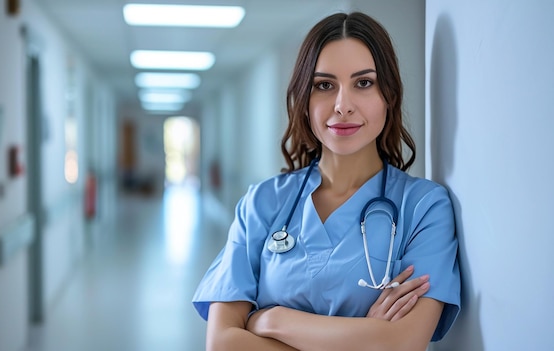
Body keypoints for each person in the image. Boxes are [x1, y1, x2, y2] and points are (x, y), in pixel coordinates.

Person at [192, 11, 460, 351]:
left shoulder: (424, 207)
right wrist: (365, 335)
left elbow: (401, 343)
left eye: (364, 83)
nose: (342, 105)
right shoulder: (261, 203)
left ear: (388, 96)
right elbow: (223, 343)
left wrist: (272, 321)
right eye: (324, 85)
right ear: (304, 100)